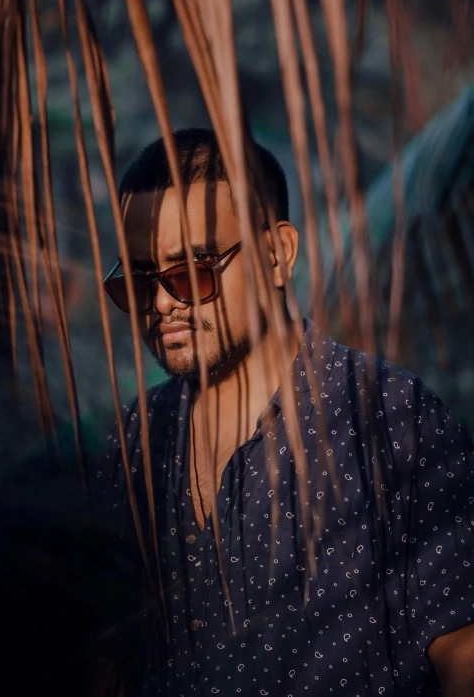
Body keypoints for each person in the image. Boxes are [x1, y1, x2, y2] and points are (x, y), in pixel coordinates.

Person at [95, 128, 474, 696]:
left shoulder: (392, 420)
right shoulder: (130, 446)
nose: (164, 304)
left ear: (277, 254)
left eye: (190, 272)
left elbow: (463, 652)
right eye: (140, 282)